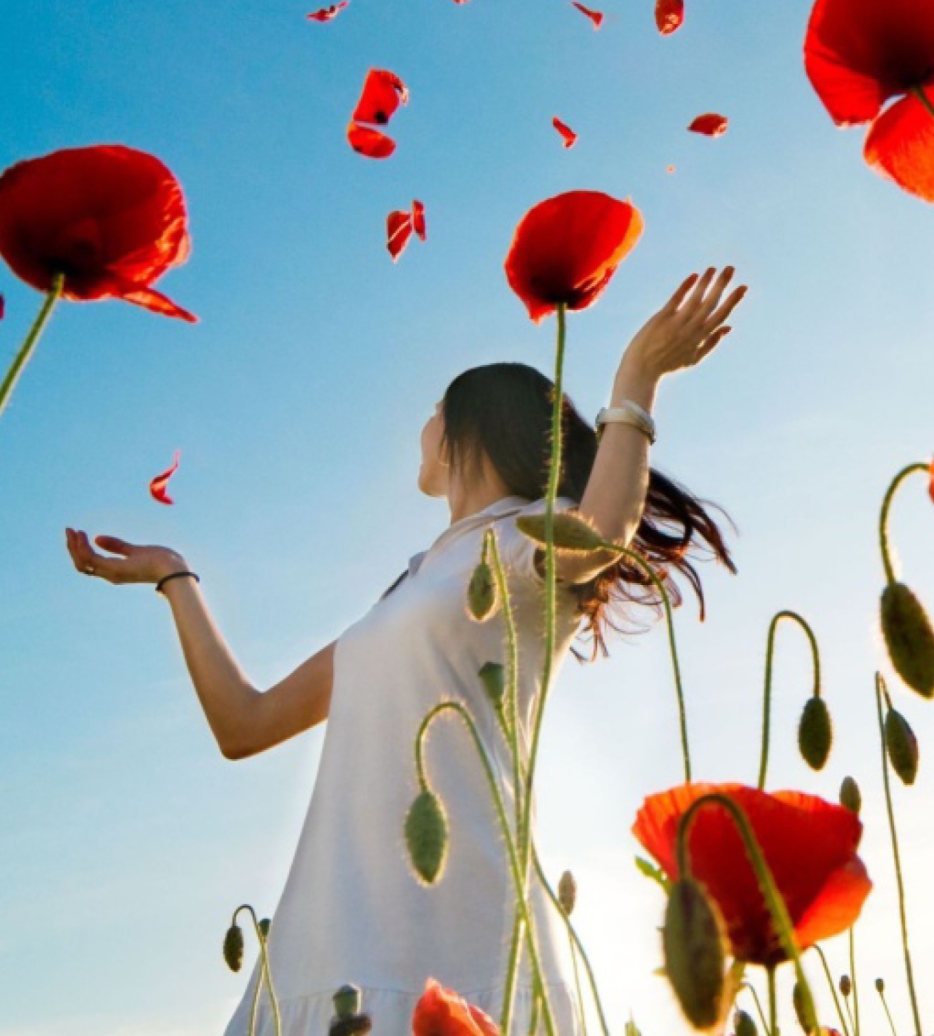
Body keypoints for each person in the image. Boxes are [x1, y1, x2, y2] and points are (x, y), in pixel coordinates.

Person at [64, 266, 748, 1035]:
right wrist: (174, 576)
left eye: (433, 412)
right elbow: (245, 724)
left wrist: (637, 379)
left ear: (472, 427)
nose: (420, 428)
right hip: (321, 941)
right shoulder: (409, 591)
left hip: (452, 934)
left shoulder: (529, 535)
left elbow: (601, 536)